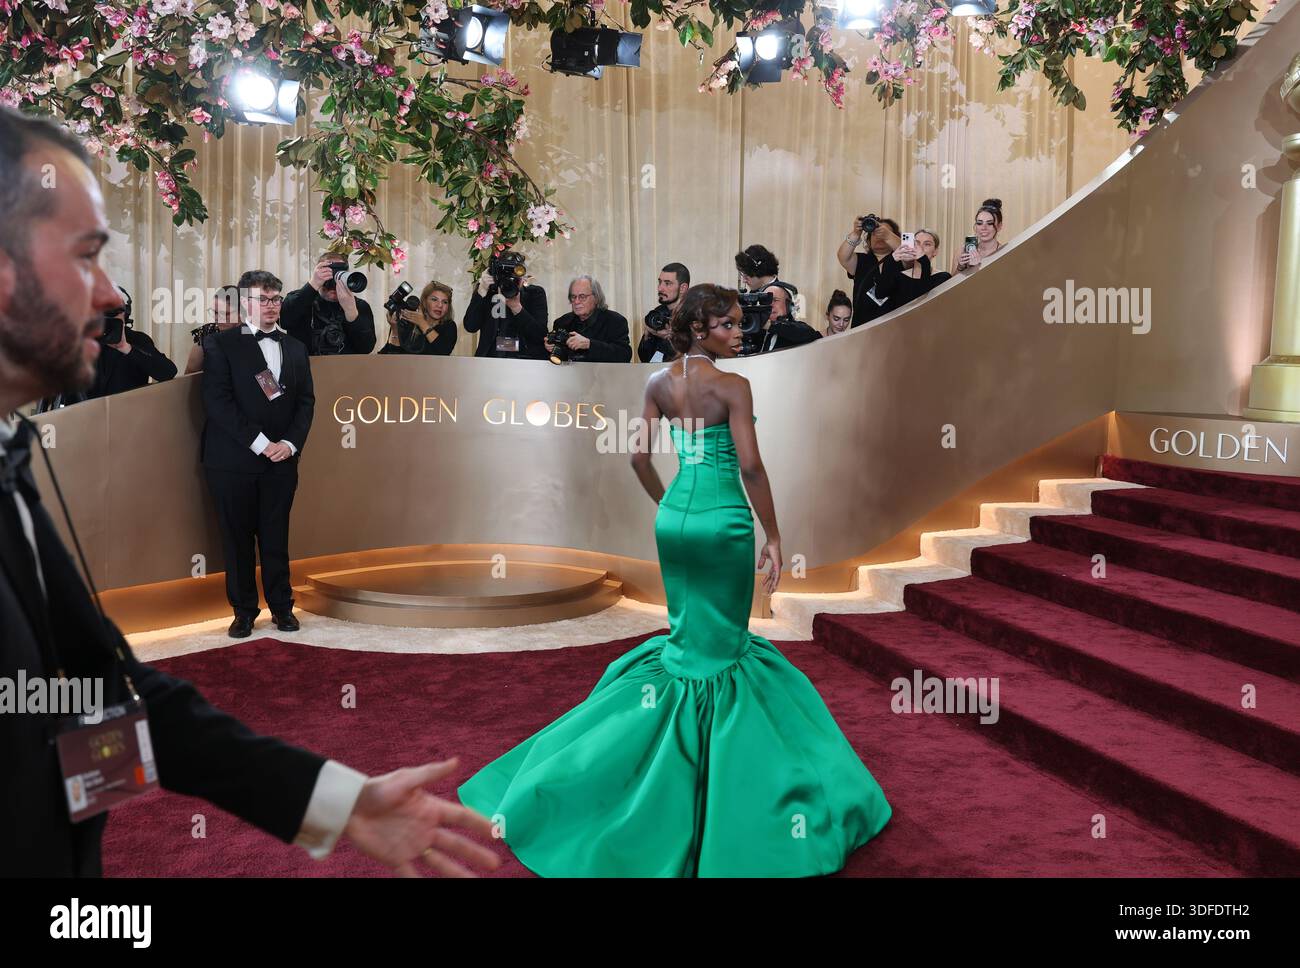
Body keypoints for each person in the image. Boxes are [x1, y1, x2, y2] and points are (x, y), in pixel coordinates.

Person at [0, 105, 498, 877]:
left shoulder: (13, 449)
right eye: (87, 256)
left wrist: (338, 802)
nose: (109, 296)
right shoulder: (219, 351)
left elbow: (105, 688)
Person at [458, 284, 892, 876]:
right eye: (730, 324)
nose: (741, 331)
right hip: (725, 524)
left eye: (741, 322)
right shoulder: (733, 386)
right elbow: (750, 466)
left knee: (688, 641)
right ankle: (723, 790)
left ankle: (650, 777)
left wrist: (669, 506)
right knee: (724, 646)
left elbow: (638, 458)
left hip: (676, 522)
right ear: (700, 328)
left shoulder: (657, 382)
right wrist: (775, 535)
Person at [201, 270, 313, 639]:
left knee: (276, 537)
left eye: (276, 299)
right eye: (263, 299)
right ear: (245, 303)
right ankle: (243, 611)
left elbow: (306, 403)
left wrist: (290, 445)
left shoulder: (295, 347)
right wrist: (262, 444)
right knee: (236, 541)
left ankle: (282, 607)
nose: (271, 306)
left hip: (282, 461)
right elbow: (218, 403)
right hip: (232, 462)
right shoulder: (221, 344)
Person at [280, 253, 377, 356]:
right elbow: (285, 321)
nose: (333, 282)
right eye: (328, 273)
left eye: (338, 274)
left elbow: (366, 348)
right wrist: (313, 284)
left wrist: (351, 312)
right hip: (305, 369)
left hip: (348, 369)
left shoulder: (359, 306)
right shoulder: (302, 300)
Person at [461, 250, 549, 359]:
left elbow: (540, 335)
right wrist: (481, 291)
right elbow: (470, 326)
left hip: (524, 363)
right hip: (490, 361)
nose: (509, 279)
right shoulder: (488, 293)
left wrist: (517, 308)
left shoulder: (534, 293)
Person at [545, 275, 632, 363]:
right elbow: (557, 360)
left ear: (596, 298)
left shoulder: (615, 321)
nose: (576, 302)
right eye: (573, 297)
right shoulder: (562, 322)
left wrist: (589, 344)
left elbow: (624, 355)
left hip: (604, 375)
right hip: (569, 374)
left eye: (582, 297)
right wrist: (550, 347)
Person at [836, 216, 900, 327]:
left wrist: (888, 235)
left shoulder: (903, 260)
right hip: (862, 327)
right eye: (875, 232)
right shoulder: (862, 260)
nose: (879, 236)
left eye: (885, 232)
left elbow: (909, 250)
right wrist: (856, 233)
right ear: (869, 240)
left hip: (894, 328)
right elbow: (843, 257)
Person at [874, 229, 953, 312]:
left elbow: (924, 301)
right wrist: (891, 260)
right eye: (917, 243)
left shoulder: (943, 277)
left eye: (927, 244)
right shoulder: (899, 276)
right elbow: (880, 294)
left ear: (935, 251)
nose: (920, 248)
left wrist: (924, 261)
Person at [380, 280, 458, 356]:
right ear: (424, 302)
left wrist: (422, 323)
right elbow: (391, 357)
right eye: (434, 299)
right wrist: (395, 330)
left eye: (445, 302)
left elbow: (443, 352)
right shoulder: (408, 322)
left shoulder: (449, 326)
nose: (440, 305)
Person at [184, 285, 242, 375]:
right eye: (215, 312)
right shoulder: (206, 333)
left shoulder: (252, 333)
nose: (219, 318)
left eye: (226, 314)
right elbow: (189, 377)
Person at [638, 262, 689, 363]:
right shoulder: (658, 313)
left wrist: (670, 339)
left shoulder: (694, 316)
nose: (660, 288)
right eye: (660, 282)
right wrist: (648, 337)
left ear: (683, 288)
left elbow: (694, 359)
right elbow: (645, 359)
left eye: (667, 283)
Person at [757, 282, 821, 353]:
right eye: (766, 301)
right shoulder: (754, 328)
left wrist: (770, 325)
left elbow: (809, 334)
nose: (770, 305)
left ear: (789, 306)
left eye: (775, 300)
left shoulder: (797, 330)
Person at [953, 199, 1005, 275]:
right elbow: (952, 286)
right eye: (979, 223)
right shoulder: (961, 252)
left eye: (990, 223)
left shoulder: (1003, 253)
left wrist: (976, 268)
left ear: (999, 226)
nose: (983, 228)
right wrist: (960, 267)